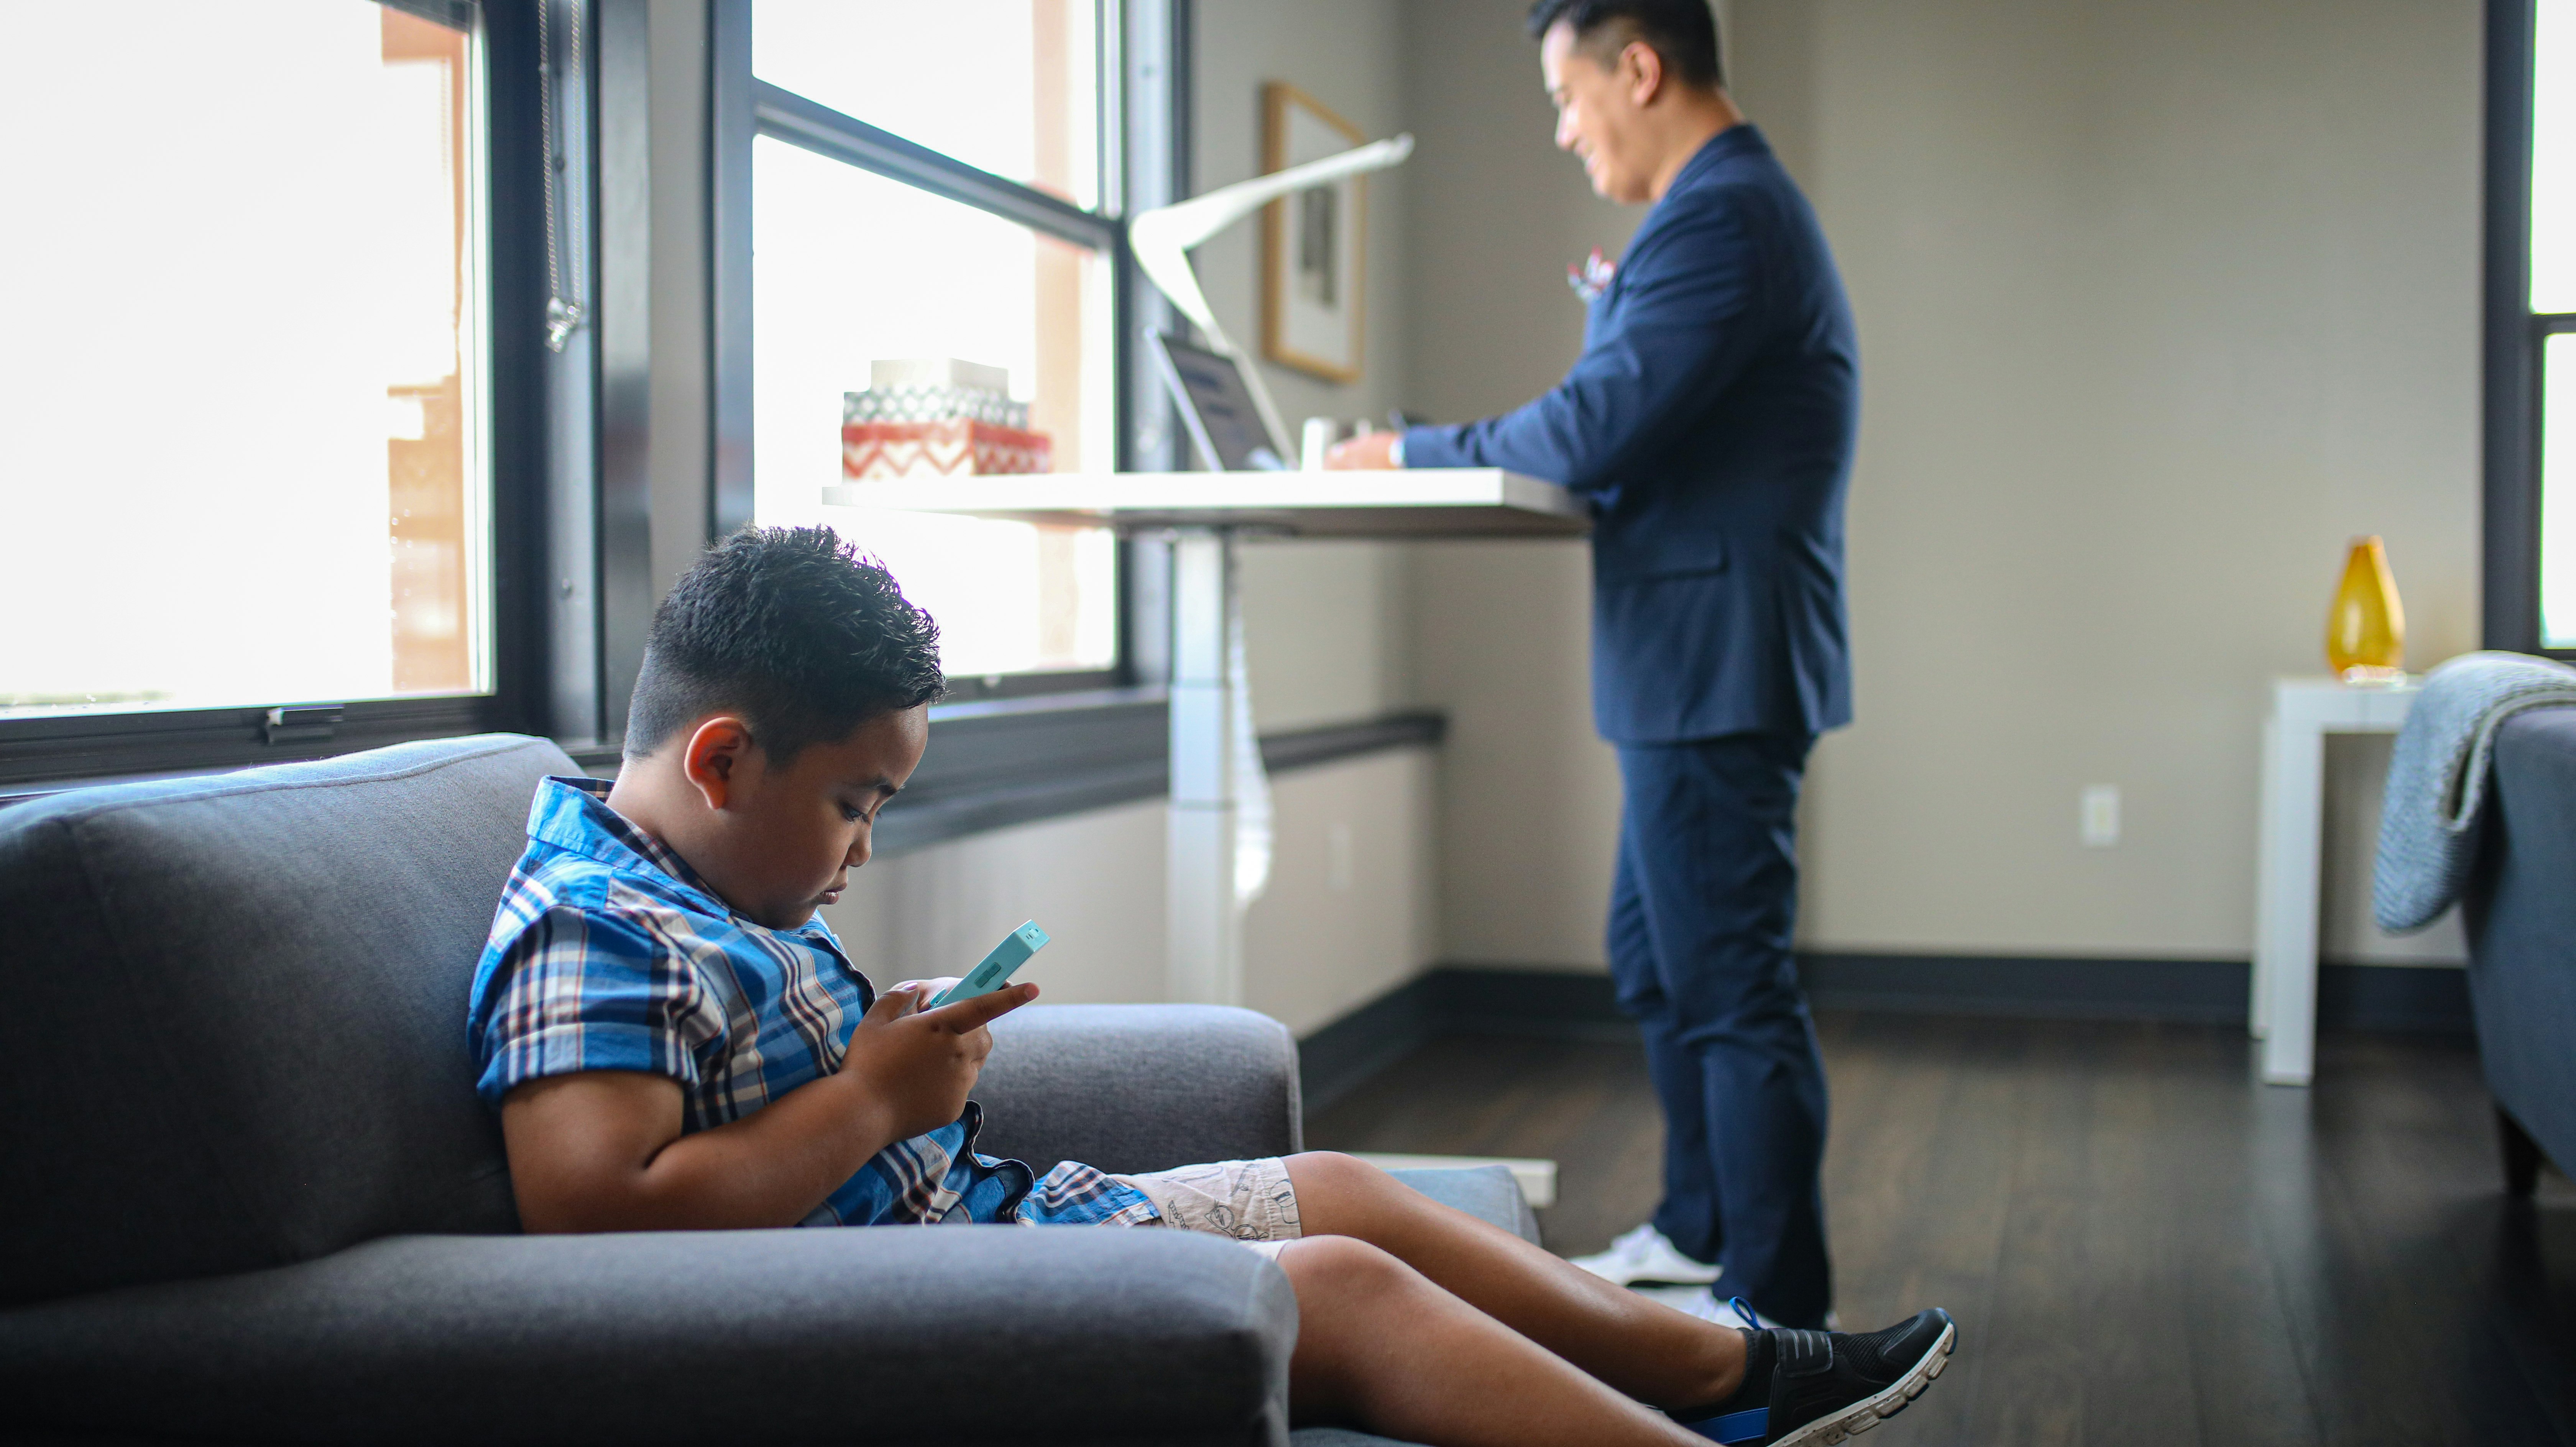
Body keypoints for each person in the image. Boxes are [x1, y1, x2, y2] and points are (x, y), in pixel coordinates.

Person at [467, 527, 1945, 1447]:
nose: (864, 845)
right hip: (904, 1310)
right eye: (859, 802)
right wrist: (866, 1100)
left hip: (992, 1233)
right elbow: (595, 1218)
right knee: (1343, 1290)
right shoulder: (595, 927)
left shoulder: (704, 887)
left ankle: (1734, 1367)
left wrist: (881, 1053)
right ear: (722, 760)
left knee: (1340, 1187)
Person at [1328, 0, 1857, 1330]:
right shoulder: (1724, 211)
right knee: (1657, 955)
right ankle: (1698, 1231)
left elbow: (1590, 427)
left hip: (1715, 657)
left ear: (1641, 66)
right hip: (1698, 655)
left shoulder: (1723, 214)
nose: (1565, 132)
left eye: (1570, 98)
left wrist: (1408, 450)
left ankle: (1774, 1315)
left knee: (1730, 987)